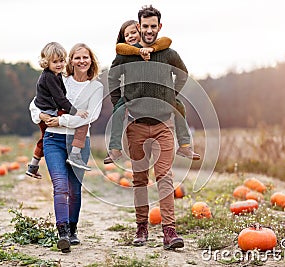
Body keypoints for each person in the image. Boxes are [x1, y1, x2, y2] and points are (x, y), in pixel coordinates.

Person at [108, 5, 189, 250]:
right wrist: (120, 102)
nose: (150, 30)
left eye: (154, 26)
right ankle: (142, 227)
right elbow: (112, 79)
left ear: (159, 27)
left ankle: (169, 231)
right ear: (139, 27)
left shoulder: (169, 54)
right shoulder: (126, 55)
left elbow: (183, 74)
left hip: (164, 125)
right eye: (146, 26)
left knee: (165, 176)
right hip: (136, 127)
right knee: (140, 179)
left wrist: (171, 97)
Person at [29, 43, 103, 253]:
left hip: (79, 142)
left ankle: (72, 229)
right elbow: (35, 104)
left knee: (74, 188)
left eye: (85, 57)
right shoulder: (59, 78)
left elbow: (92, 116)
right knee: (60, 184)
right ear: (71, 61)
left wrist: (61, 121)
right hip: (53, 140)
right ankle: (62, 233)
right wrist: (42, 116)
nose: (81, 61)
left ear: (91, 60)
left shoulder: (96, 87)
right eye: (77, 57)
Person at [104, 20, 200, 164]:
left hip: (162, 99)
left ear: (140, 30)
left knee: (180, 107)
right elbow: (114, 69)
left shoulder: (159, 48)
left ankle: (184, 145)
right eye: (127, 35)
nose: (130, 36)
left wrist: (171, 94)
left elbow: (167, 41)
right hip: (133, 100)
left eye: (133, 32)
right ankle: (115, 149)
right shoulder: (125, 53)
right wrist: (117, 99)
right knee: (117, 111)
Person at [26, 42, 91, 180]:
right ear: (46, 62)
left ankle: (33, 166)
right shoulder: (49, 77)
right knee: (80, 123)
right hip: (47, 110)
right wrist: (75, 111)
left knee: (44, 138)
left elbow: (63, 93)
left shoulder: (57, 75)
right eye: (55, 62)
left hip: (50, 109)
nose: (59, 64)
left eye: (61, 61)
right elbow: (60, 98)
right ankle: (75, 154)